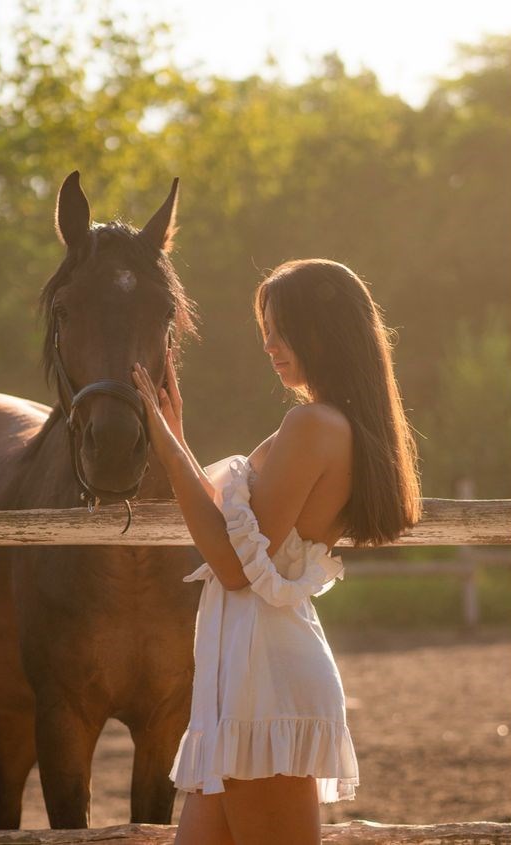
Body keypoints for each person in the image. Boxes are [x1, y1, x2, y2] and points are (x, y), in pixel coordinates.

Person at [132, 258, 422, 845]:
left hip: (265, 680)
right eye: (265, 328)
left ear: (324, 331)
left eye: (282, 328)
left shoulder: (314, 425)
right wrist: (178, 436)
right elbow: (229, 533)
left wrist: (168, 451)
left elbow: (237, 569)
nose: (269, 345)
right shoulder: (328, 423)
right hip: (243, 676)